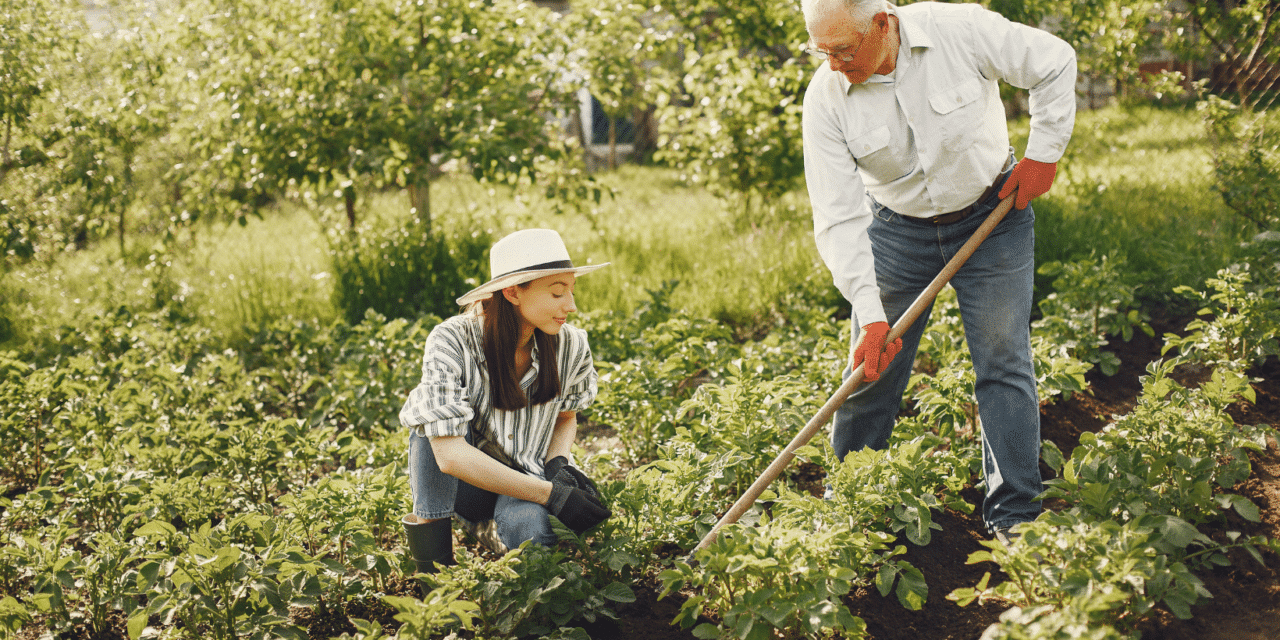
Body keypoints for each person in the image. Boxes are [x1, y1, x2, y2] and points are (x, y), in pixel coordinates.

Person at [799, 0, 1076, 541]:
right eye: (821, 51)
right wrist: (870, 311)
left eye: (843, 50)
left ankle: (1016, 515)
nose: (832, 64)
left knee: (1003, 363)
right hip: (896, 232)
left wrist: (1044, 153)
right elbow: (838, 216)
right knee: (871, 370)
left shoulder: (960, 30)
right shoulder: (826, 99)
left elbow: (1054, 60)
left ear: (883, 23)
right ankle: (850, 506)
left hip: (992, 215)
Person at [398, 228, 612, 573]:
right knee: (428, 428)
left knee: (534, 537)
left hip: (527, 477)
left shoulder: (571, 345)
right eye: (558, 293)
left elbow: (565, 417)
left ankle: (493, 533)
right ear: (513, 292)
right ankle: (431, 570)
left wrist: (557, 466)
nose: (571, 306)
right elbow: (449, 457)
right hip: (467, 486)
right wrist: (550, 495)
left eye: (571, 291)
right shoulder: (453, 340)